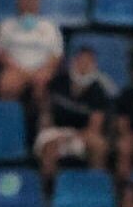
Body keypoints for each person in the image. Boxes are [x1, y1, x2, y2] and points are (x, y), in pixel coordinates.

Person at [35, 46, 110, 181]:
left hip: (81, 134)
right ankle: (50, 190)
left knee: (99, 145)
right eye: (81, 61)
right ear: (74, 61)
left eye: (88, 62)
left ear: (94, 65)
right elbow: (46, 113)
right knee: (51, 147)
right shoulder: (58, 81)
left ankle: (95, 185)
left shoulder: (98, 91)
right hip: (54, 131)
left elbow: (95, 127)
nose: (84, 65)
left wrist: (72, 137)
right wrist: (51, 132)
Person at [0, 0, 63, 110]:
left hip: (42, 70)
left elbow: (56, 55)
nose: (28, 0)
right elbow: (1, 53)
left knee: (43, 83)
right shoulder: (6, 25)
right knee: (7, 83)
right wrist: (21, 71)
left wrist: (41, 71)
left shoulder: (50, 26)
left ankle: (41, 124)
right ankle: (9, 121)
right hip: (15, 69)